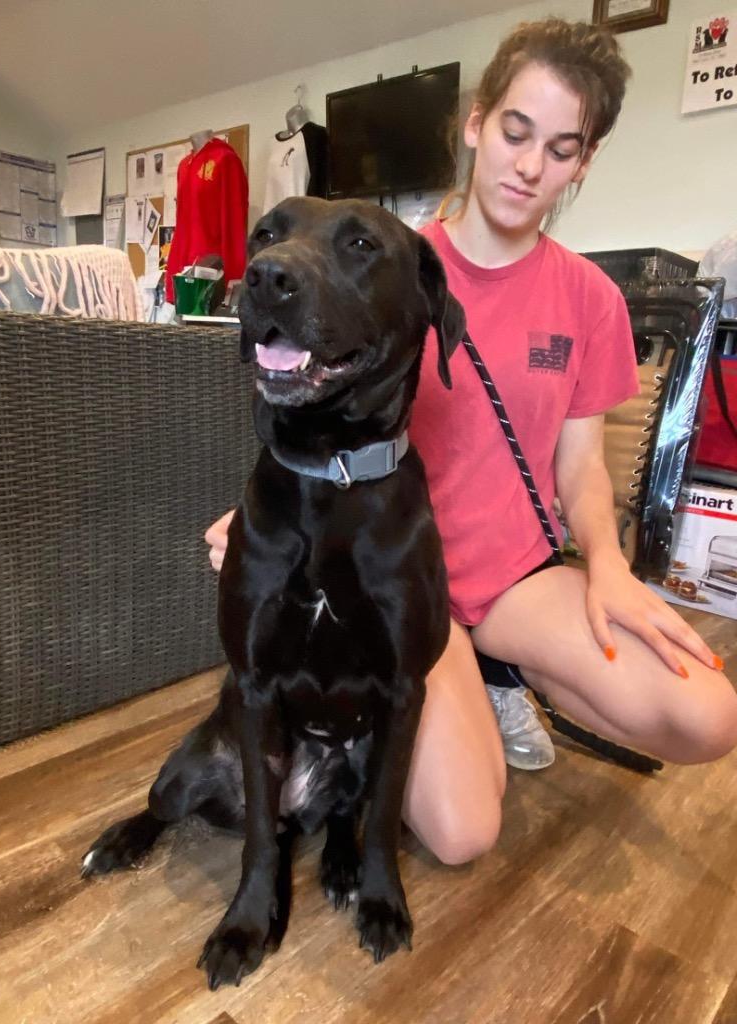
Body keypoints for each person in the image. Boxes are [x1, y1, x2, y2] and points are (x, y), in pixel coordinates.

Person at [205, 17, 737, 866]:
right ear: (477, 123)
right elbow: (306, 414)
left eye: (561, 148)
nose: (530, 166)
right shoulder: (379, 262)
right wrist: (262, 530)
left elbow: (579, 464)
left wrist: (606, 563)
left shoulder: (591, 298)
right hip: (400, 582)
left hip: (520, 580)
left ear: (584, 162)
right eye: (516, 131)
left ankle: (512, 674)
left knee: (710, 715)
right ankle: (478, 684)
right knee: (462, 835)